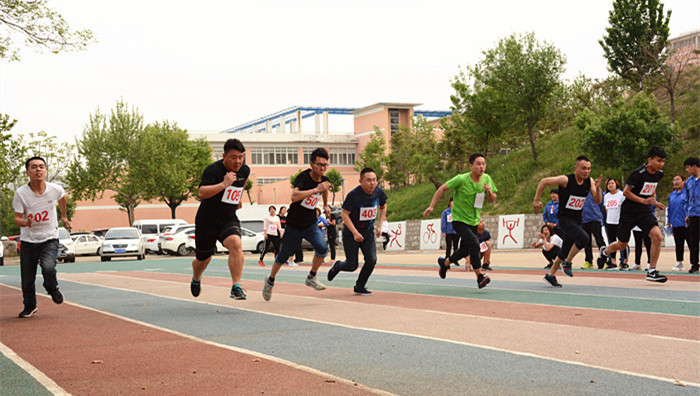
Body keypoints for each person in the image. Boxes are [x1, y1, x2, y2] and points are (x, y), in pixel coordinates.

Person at [262, 148, 332, 301]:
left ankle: (311, 277)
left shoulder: (324, 180)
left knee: (322, 248)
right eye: (320, 164)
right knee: (283, 255)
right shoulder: (303, 177)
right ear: (312, 164)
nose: (322, 168)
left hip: (310, 224)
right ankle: (270, 280)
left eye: (325, 165)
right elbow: (294, 196)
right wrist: (315, 189)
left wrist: (326, 205)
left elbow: (324, 189)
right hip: (294, 224)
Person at [423, 153, 497, 289]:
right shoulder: (461, 179)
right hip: (459, 220)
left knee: (464, 250)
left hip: (474, 221)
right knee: (475, 244)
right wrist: (431, 206)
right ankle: (480, 277)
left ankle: (444, 264)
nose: (482, 166)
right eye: (478, 164)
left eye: (484, 164)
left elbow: (492, 199)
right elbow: (442, 188)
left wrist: (489, 192)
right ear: (471, 165)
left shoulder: (486, 179)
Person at [190, 138, 250, 300]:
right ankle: (196, 278)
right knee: (203, 260)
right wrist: (224, 184)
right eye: (233, 157)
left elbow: (242, 184)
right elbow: (201, 193)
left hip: (227, 218)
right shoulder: (213, 171)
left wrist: (238, 198)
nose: (237, 161)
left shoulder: (244, 171)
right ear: (224, 156)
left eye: (241, 157)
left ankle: (236, 286)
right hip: (207, 220)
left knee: (236, 244)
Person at [599, 146, 668, 282]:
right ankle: (605, 251)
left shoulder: (659, 174)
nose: (661, 164)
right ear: (650, 159)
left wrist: (653, 201)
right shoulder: (638, 173)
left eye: (663, 161)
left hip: (644, 212)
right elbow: (626, 192)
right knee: (622, 244)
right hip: (629, 212)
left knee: (657, 236)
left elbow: (652, 187)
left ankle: (652, 271)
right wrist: (644, 200)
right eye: (658, 161)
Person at [13, 156, 70, 318]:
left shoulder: (55, 189)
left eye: (41, 166)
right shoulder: (21, 194)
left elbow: (63, 198)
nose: (38, 169)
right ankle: (30, 306)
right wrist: (25, 222)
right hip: (28, 240)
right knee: (27, 280)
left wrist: (63, 216)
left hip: (49, 238)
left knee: (48, 267)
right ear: (27, 172)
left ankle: (52, 287)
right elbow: (17, 219)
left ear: (45, 171)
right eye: (34, 167)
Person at [533, 155, 603, 287]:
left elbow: (598, 201)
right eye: (583, 168)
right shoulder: (565, 180)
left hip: (577, 220)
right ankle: (568, 262)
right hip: (564, 220)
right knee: (584, 238)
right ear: (575, 168)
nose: (586, 171)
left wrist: (598, 189)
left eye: (589, 169)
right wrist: (537, 200)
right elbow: (543, 181)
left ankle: (551, 275)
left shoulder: (589, 181)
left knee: (564, 250)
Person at [327, 168, 387, 294]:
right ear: (361, 181)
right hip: (351, 233)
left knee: (372, 260)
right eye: (369, 180)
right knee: (352, 265)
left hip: (368, 233)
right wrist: (354, 232)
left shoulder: (379, 192)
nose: (372, 183)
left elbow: (383, 206)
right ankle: (338, 266)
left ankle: (360, 285)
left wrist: (380, 225)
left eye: (374, 180)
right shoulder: (353, 195)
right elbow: (344, 214)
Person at [603, 178, 629, 269]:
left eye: (612, 183)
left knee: (622, 242)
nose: (610, 185)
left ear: (616, 184)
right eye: (608, 184)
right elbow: (606, 209)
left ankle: (624, 261)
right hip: (610, 222)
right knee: (612, 242)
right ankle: (613, 261)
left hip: (620, 222)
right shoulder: (606, 196)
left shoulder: (621, 195)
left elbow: (625, 208)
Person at [582, 190, 610, 269]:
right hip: (583, 219)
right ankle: (588, 261)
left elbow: (601, 204)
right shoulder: (580, 189)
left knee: (599, 240)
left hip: (595, 218)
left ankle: (605, 260)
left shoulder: (596, 189)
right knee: (586, 241)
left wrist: (600, 214)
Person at [667, 174, 689, 271]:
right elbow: (670, 209)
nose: (675, 181)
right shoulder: (672, 195)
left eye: (678, 179)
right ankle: (679, 263)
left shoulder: (688, 193)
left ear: (684, 181)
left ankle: (695, 263)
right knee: (678, 244)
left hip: (687, 224)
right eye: (674, 180)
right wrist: (669, 221)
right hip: (676, 224)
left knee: (692, 244)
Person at [684, 157, 700, 274]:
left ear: (694, 166)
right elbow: (688, 199)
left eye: (688, 167)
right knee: (693, 240)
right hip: (693, 215)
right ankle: (694, 264)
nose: (687, 170)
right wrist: (687, 213)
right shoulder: (689, 181)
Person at [441, 198, 461, 266]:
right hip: (448, 231)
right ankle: (447, 260)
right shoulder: (446, 212)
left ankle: (455, 260)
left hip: (456, 231)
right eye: (451, 202)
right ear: (449, 203)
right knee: (448, 246)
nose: (452, 203)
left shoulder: (458, 211)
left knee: (456, 246)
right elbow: (443, 222)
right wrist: (443, 231)